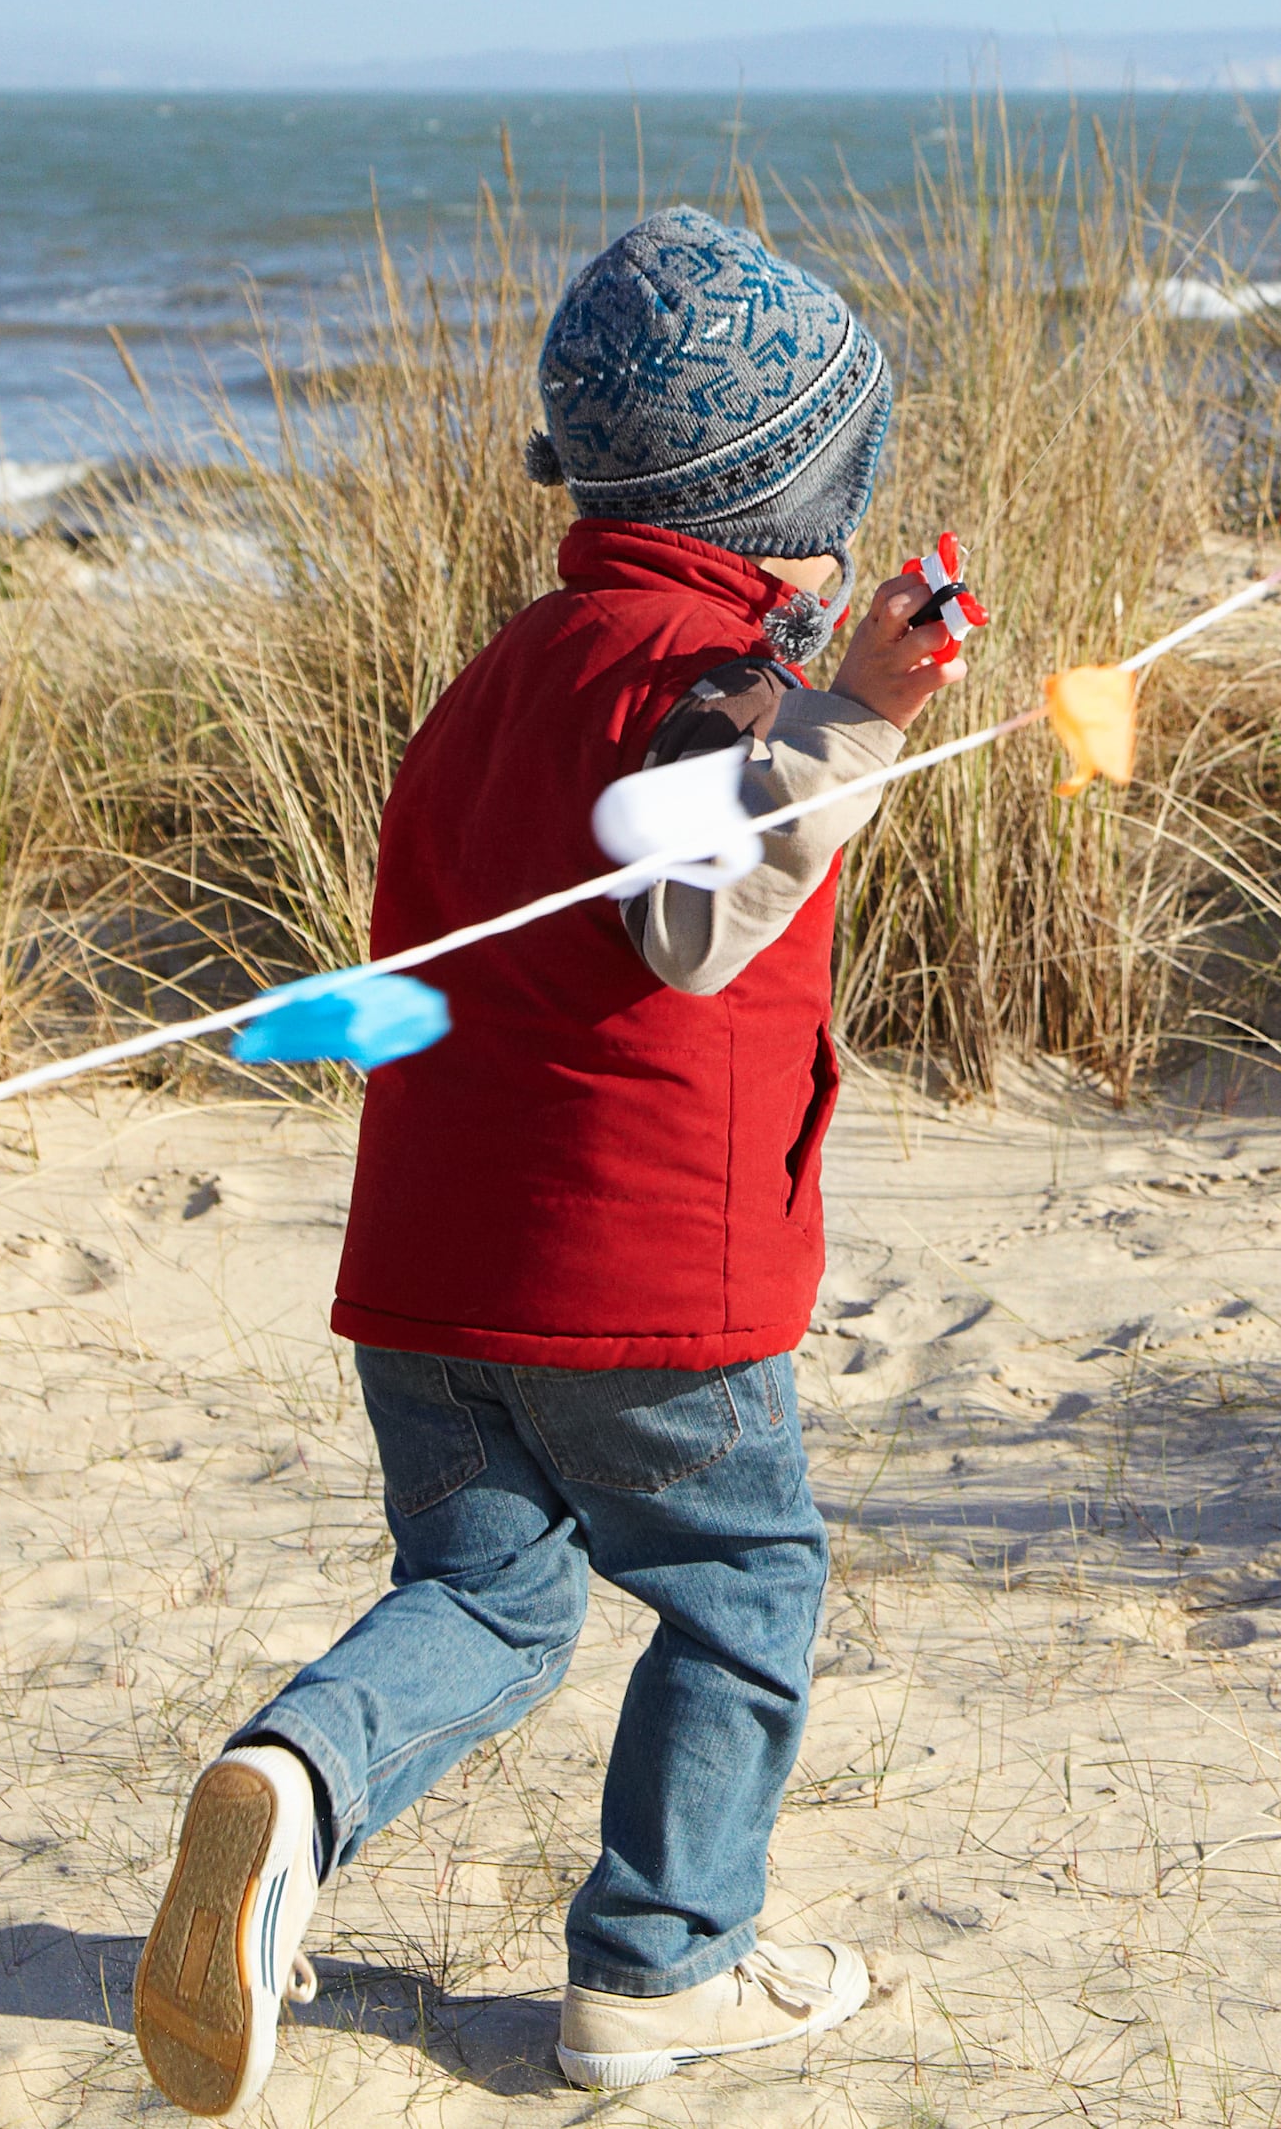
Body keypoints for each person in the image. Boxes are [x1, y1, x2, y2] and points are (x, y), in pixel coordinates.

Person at [136, 207, 966, 2114]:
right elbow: (695, 912)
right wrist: (856, 714)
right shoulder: (714, 684)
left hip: (432, 1268)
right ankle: (663, 1970)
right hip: (639, 1280)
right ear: (779, 497)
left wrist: (817, 683)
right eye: (844, 483)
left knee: (496, 1592)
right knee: (742, 1574)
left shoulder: (510, 671)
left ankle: (290, 1782)